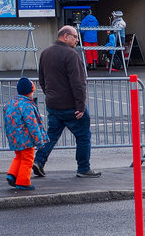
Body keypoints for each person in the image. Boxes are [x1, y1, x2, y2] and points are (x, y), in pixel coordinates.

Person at [36, 24, 100, 179]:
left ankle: (38, 161)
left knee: (51, 136)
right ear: (65, 36)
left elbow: (42, 80)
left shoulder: (45, 53)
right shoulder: (71, 55)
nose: (77, 40)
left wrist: (50, 95)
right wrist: (81, 106)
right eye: (75, 36)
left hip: (53, 105)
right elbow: (78, 83)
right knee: (83, 136)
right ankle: (83, 168)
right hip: (71, 106)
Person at [3, 76, 46, 191]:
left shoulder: (11, 103)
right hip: (26, 138)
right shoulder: (27, 105)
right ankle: (23, 182)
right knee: (28, 158)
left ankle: (12, 174)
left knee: (19, 156)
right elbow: (32, 124)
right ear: (29, 92)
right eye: (32, 91)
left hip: (15, 137)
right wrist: (39, 140)